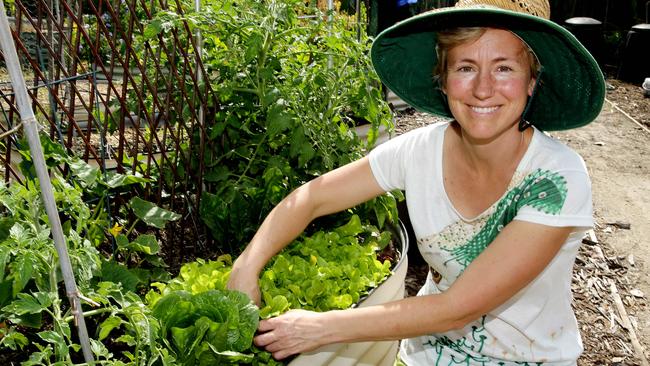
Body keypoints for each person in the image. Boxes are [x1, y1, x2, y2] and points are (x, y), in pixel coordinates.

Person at [227, 0, 606, 364]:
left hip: (527, 360)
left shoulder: (556, 179)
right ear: (442, 80)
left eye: (504, 68)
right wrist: (247, 265)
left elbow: (458, 308)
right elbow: (312, 198)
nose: (483, 89)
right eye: (465, 68)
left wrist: (319, 328)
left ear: (532, 82)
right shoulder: (419, 151)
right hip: (425, 354)